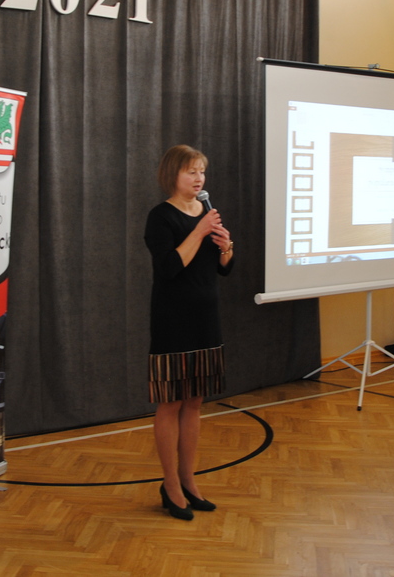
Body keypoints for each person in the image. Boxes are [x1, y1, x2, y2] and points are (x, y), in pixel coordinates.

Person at [144, 144, 234, 521]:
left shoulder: (207, 212)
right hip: (173, 319)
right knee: (171, 402)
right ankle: (170, 485)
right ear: (173, 175)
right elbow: (170, 267)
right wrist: (199, 231)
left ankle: (188, 480)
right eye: (191, 171)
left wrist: (226, 248)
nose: (199, 178)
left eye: (202, 171)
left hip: (205, 318)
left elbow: (220, 268)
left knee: (195, 401)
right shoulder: (161, 217)